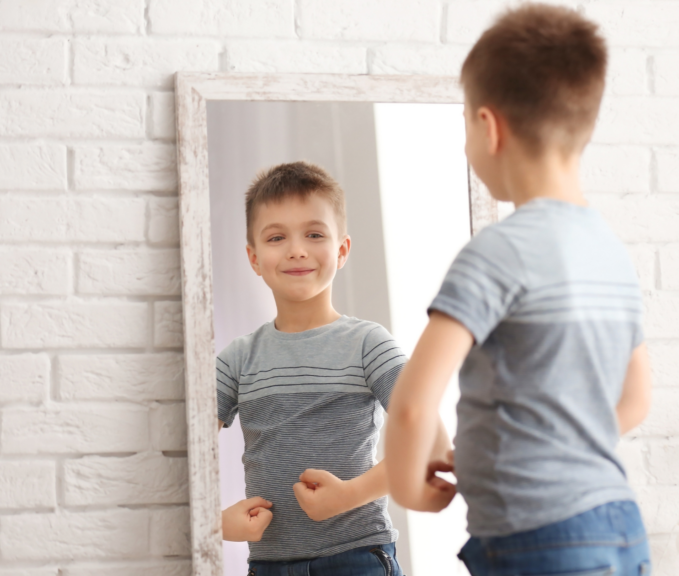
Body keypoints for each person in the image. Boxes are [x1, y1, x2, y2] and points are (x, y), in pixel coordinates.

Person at [384, 4, 653, 575]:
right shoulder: (612, 253)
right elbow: (634, 400)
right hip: (620, 528)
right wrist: (513, 453)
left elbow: (412, 406)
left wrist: (410, 491)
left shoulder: (498, 252)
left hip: (539, 538)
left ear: (488, 126)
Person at [216, 161, 453, 576]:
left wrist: (349, 495)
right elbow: (178, 454)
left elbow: (433, 445)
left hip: (357, 559)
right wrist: (212, 523)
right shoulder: (237, 359)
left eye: (314, 234)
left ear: (342, 250)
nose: (296, 250)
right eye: (276, 237)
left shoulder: (368, 344)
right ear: (253, 258)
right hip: (267, 566)